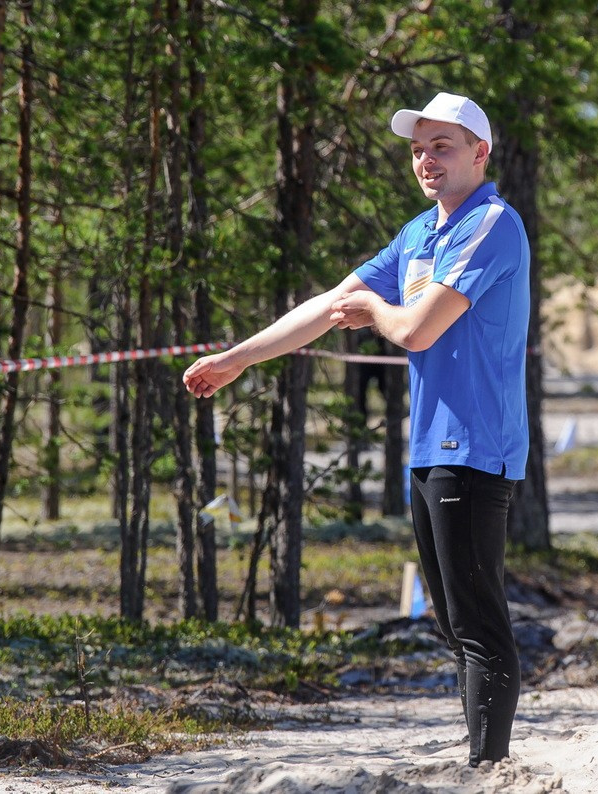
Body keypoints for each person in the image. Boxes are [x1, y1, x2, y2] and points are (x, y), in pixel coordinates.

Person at [183, 92, 530, 766]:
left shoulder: (492, 223)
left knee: (480, 625)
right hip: (430, 450)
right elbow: (326, 306)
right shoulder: (418, 234)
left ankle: (490, 769)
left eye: (443, 146)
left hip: (476, 447)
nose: (427, 159)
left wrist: (375, 305)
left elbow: (414, 328)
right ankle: (481, 763)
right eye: (418, 148)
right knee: (456, 629)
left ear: (480, 153)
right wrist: (236, 359)